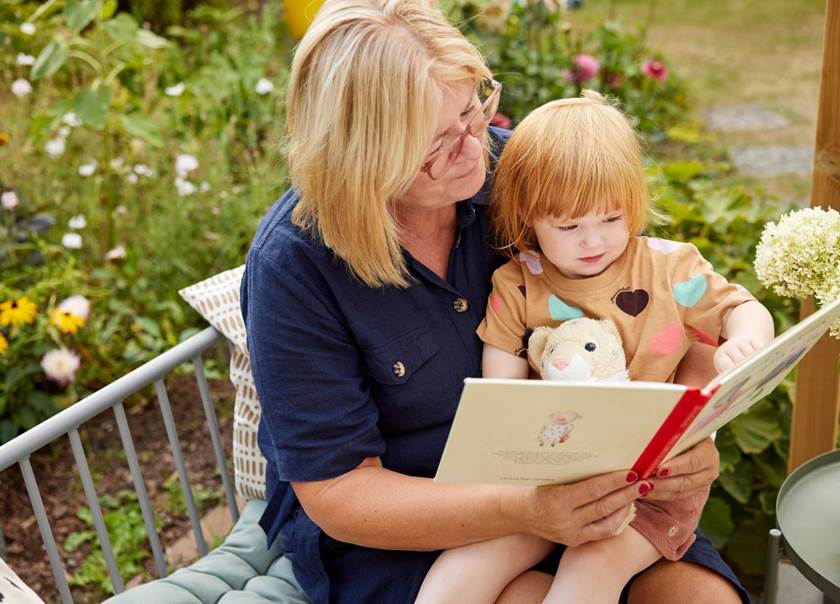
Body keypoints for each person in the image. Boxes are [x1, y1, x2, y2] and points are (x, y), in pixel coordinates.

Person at [240, 1, 753, 602]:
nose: (471, 148)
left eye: (471, 110)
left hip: (584, 477)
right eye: (434, 143)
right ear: (360, 154)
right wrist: (526, 510)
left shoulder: (526, 175)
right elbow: (341, 494)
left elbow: (663, 305)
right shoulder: (295, 267)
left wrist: (690, 433)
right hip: (407, 522)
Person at [416, 91, 775, 603]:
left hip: (649, 487)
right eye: (569, 226)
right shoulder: (518, 286)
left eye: (611, 219)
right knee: (465, 567)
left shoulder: (668, 269)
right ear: (527, 217)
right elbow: (500, 401)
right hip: (547, 482)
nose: (594, 242)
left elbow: (744, 308)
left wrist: (746, 340)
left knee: (589, 571)